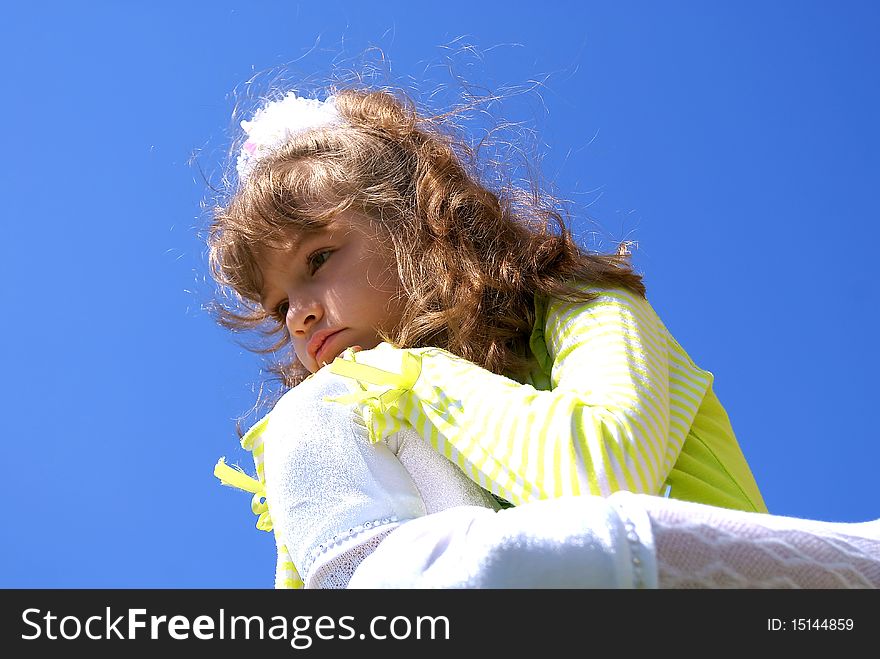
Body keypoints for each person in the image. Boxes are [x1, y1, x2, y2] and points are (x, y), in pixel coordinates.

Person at [208, 86, 878, 588]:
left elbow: (603, 470)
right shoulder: (363, 416)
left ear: (416, 222)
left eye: (318, 259)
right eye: (277, 307)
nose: (298, 314)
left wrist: (415, 377)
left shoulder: (581, 306)